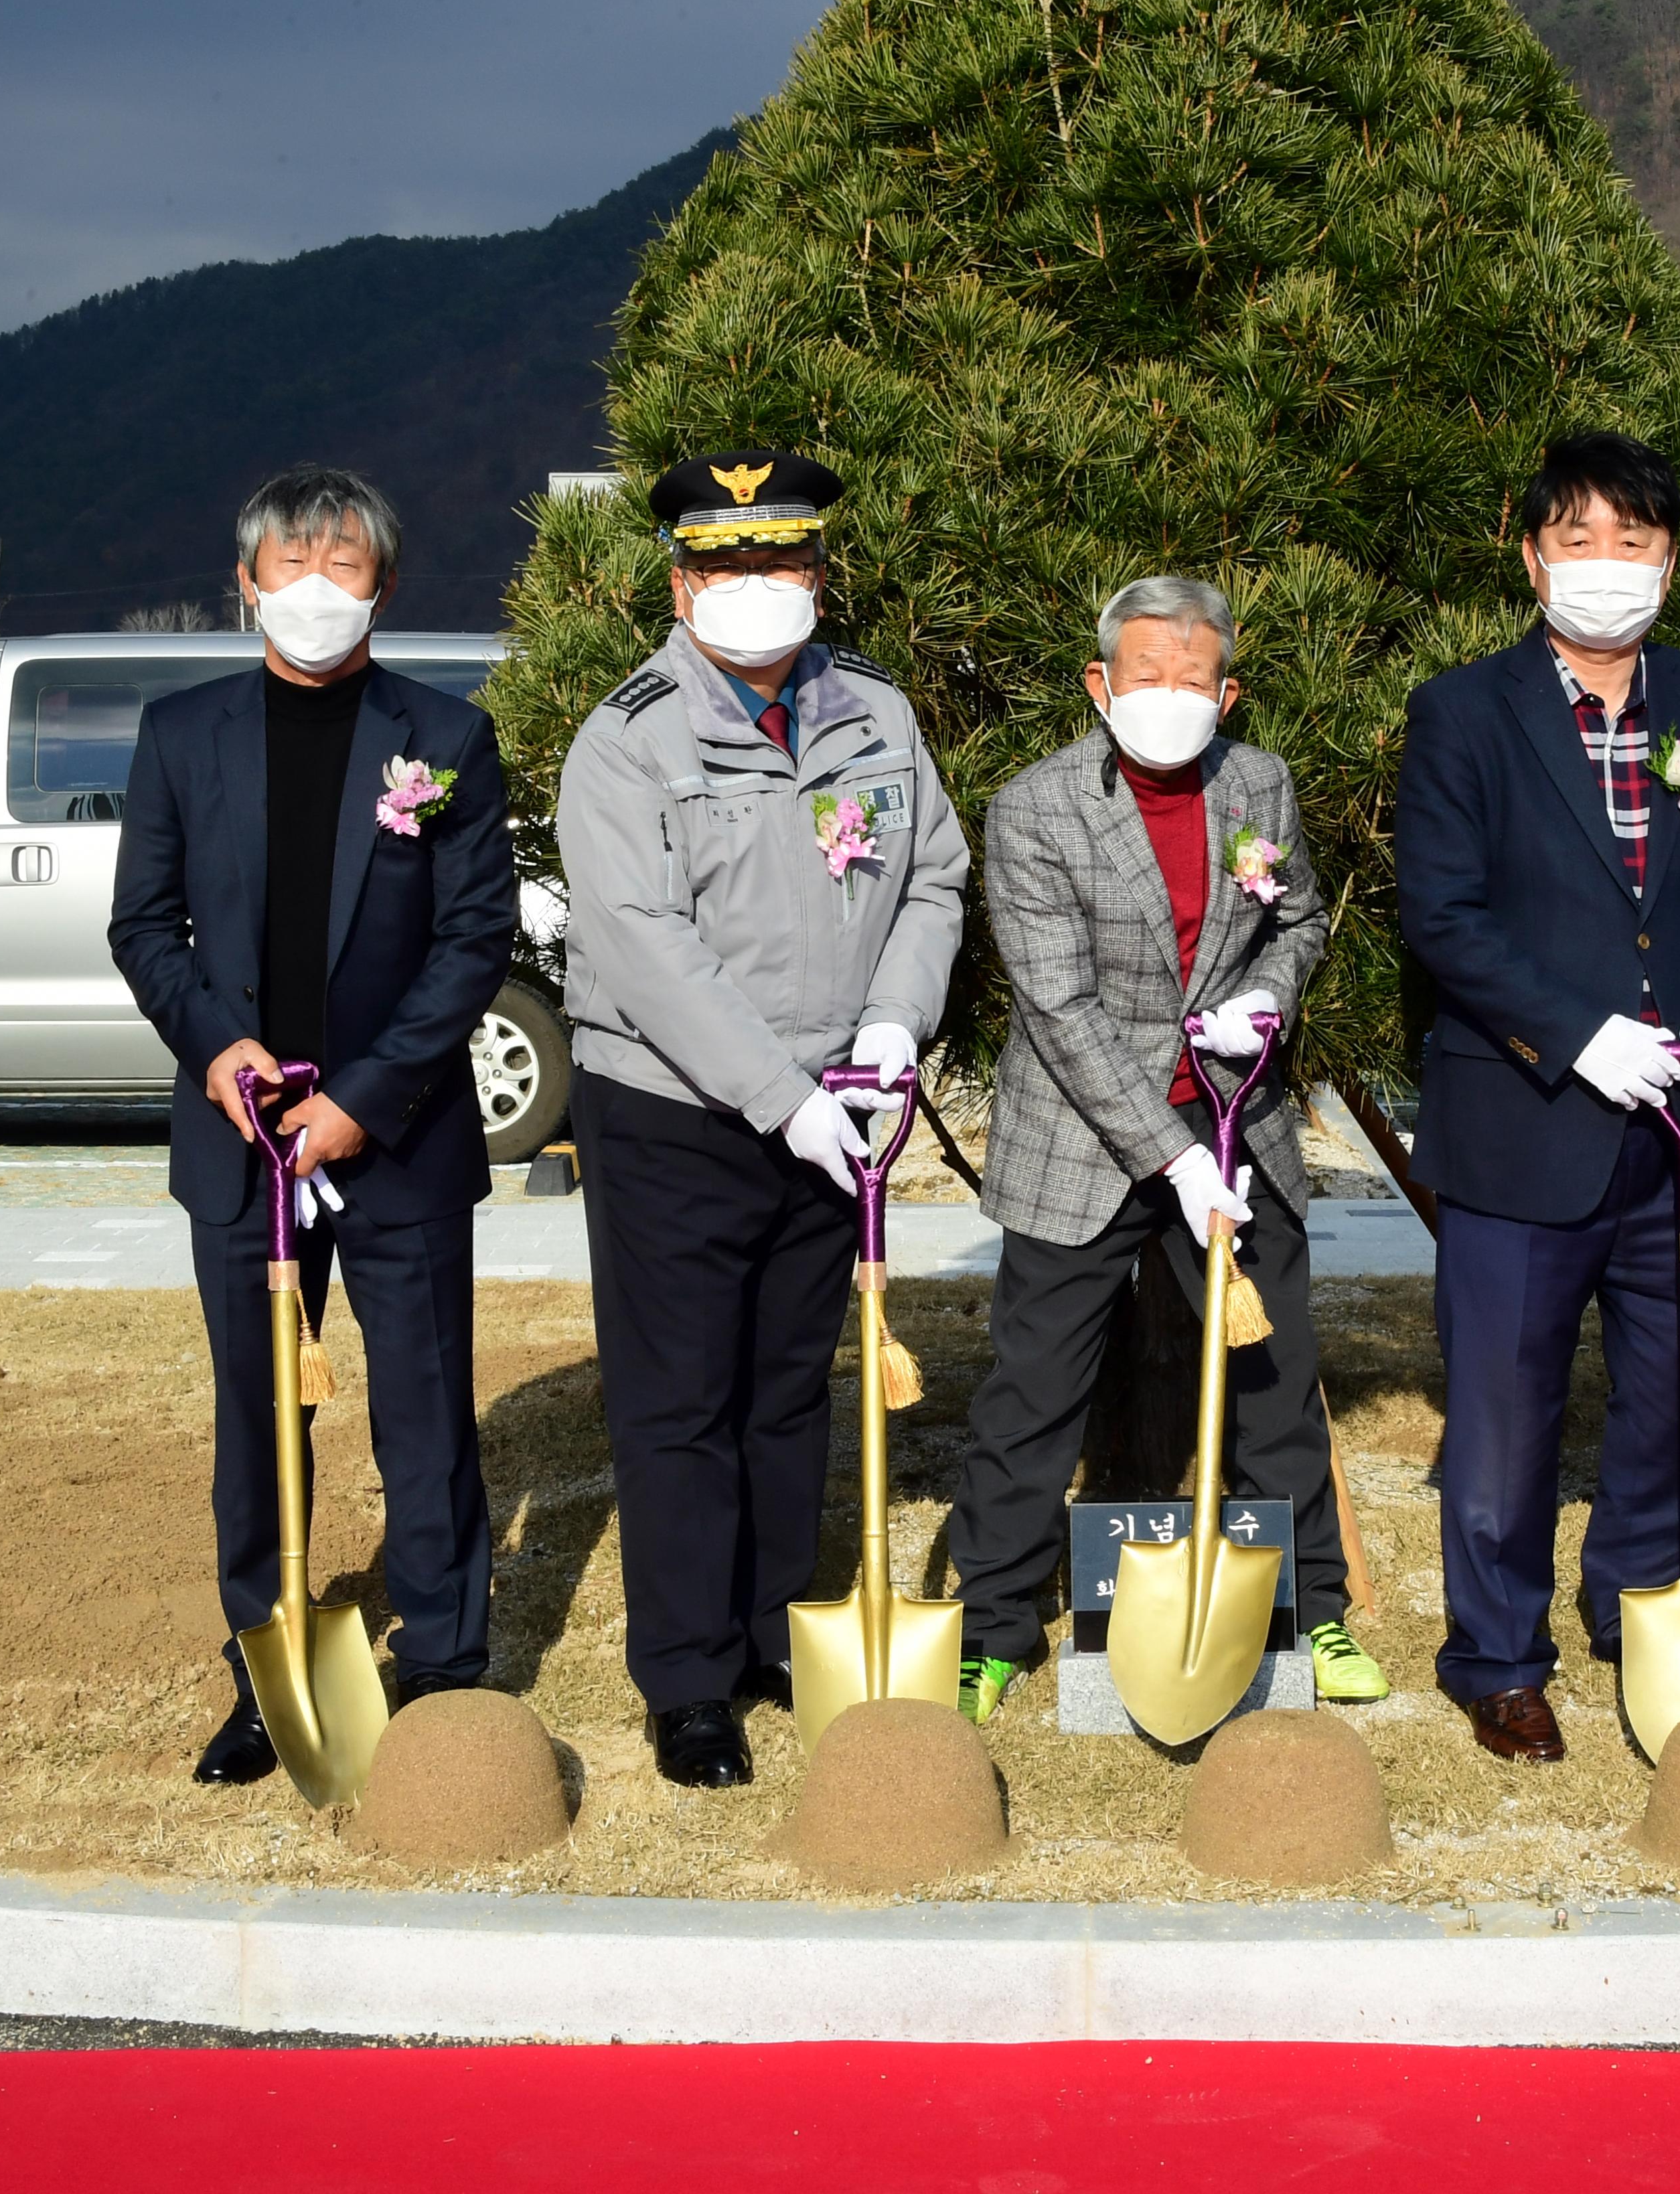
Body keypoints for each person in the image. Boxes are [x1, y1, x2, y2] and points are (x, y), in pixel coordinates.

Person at [557, 449, 969, 1789]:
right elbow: (641, 945)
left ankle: (774, 1627)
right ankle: (687, 1678)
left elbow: (935, 879)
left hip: (839, 1107)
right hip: (676, 1110)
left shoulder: (877, 717)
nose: (757, 587)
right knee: (681, 1400)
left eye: (780, 562)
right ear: (682, 587)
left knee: (790, 1387)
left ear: (817, 572)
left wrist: (898, 1023)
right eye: (727, 566)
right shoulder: (629, 739)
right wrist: (781, 1097)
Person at [1393, 429, 1680, 1763]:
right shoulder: (1466, 711)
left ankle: (1642, 1605)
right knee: (1506, 1413)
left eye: (1635, 541)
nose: (1608, 566)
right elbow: (1442, 913)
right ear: (1533, 556)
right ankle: (1499, 1655)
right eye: (1581, 539)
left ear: (1672, 561)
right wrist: (1574, 1035)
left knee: (1675, 1391)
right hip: (1528, 1123)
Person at [108, 465, 518, 1788]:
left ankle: (447, 1666)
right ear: (246, 583)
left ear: (384, 586)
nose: (316, 591)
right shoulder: (183, 732)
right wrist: (216, 1046)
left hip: (395, 1137)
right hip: (239, 1142)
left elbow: (473, 940)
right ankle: (264, 1666)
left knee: (423, 1411)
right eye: (291, 567)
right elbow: (143, 925)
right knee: (257, 1419)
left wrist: (363, 1096)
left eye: (344, 568)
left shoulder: (443, 739)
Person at [943, 574, 1385, 1726]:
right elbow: (1057, 1007)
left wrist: (1268, 1001)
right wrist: (1171, 1158)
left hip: (1238, 1121)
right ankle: (993, 1627)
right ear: (1100, 683)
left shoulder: (1257, 784)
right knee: (1035, 1389)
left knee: (1271, 1375)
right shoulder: (1034, 808)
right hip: (1084, 1138)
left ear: (1227, 689)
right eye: (1146, 675)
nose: (1169, 696)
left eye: (1194, 680)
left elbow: (1299, 917)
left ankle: (1316, 1605)